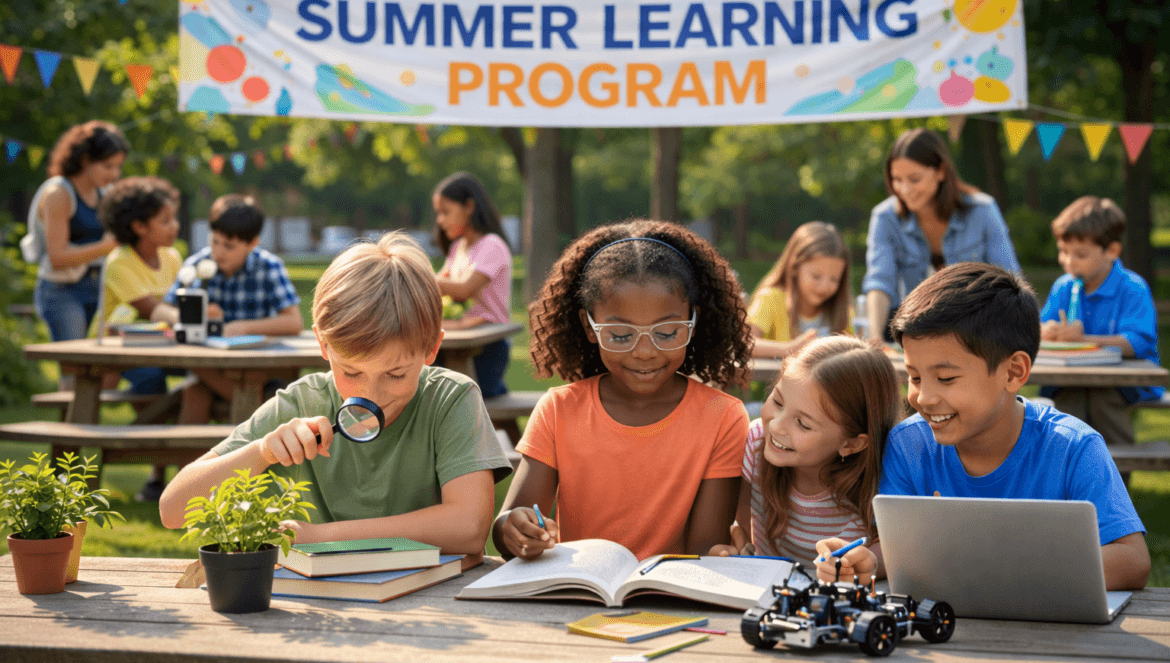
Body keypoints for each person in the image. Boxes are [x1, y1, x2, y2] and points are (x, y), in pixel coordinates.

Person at [158, 232, 513, 563]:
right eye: (352, 372)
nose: (370, 395)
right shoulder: (300, 404)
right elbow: (173, 509)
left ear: (432, 347)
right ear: (323, 344)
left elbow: (468, 528)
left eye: (396, 374)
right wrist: (262, 451)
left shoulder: (451, 399)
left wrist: (322, 537)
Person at [492, 220, 753, 562]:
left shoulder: (723, 418)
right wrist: (513, 529)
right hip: (576, 595)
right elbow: (511, 523)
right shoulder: (558, 410)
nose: (644, 351)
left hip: (670, 600)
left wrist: (722, 556)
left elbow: (704, 549)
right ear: (589, 326)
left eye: (667, 332)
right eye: (619, 335)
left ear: (693, 320)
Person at [880, 262, 1150, 591]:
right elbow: (893, 551)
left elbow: (1132, 561)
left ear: (1013, 372)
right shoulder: (906, 446)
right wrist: (866, 559)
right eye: (915, 376)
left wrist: (1005, 564)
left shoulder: (1073, 448)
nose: (924, 397)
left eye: (946, 378)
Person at [708, 336, 900, 585]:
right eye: (777, 401)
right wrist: (733, 550)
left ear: (851, 444)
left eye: (803, 424)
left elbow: (889, 553)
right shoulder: (756, 443)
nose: (776, 426)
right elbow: (742, 531)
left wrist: (863, 565)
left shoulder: (883, 473)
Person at [1039, 196, 1163, 480]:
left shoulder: (1132, 287)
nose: (1068, 262)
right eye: (1063, 252)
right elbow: (1040, 329)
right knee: (1065, 424)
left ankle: (1117, 494)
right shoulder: (1063, 286)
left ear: (1112, 251)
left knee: (1103, 408)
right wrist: (1049, 333)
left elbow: (1137, 342)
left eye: (1079, 254)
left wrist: (1085, 338)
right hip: (1068, 382)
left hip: (1119, 386)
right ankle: (1069, 495)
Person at [156, 194, 304, 430]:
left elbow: (294, 322)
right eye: (214, 242)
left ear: (252, 243)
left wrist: (243, 327)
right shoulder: (197, 265)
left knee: (228, 385)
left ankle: (241, 452)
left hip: (259, 367)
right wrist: (193, 316)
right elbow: (161, 311)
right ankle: (189, 465)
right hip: (211, 364)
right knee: (195, 392)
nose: (219, 252)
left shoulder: (268, 266)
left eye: (229, 246)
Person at [862, 127, 1019, 342]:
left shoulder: (983, 210)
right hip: (916, 333)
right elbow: (880, 282)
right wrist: (874, 336)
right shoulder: (885, 217)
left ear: (941, 171)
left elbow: (1011, 282)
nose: (904, 189)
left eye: (914, 179)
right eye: (896, 179)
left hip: (978, 332)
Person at [96, 176, 185, 502]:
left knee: (193, 386)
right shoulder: (120, 262)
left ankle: (169, 476)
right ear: (138, 226)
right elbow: (154, 310)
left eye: (173, 217)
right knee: (152, 383)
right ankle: (155, 477)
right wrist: (198, 322)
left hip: (163, 346)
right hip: (116, 351)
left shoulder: (172, 257)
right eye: (165, 220)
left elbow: (177, 305)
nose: (174, 226)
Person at [29, 121, 129, 376]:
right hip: (62, 291)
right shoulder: (58, 194)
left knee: (97, 368)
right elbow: (58, 257)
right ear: (85, 159)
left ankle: (83, 417)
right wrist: (109, 245)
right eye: (108, 166)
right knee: (74, 370)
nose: (114, 174)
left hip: (98, 287)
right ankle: (66, 418)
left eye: (118, 166)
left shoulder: (104, 194)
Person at [432, 172, 513, 398]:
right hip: (456, 340)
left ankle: (497, 390)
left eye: (445, 212)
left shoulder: (492, 245)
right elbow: (438, 286)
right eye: (439, 213)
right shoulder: (458, 248)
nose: (440, 220)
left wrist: (417, 276)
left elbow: (464, 288)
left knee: (460, 398)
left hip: (487, 346)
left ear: (469, 207)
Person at [746, 221, 853, 358]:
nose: (824, 286)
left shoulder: (842, 309)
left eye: (834, 279)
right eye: (816, 276)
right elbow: (745, 344)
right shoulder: (771, 298)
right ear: (795, 267)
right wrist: (790, 348)